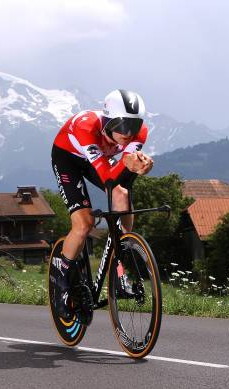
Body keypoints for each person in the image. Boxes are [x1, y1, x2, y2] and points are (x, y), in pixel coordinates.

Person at [50, 89, 154, 319]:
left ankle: (120, 261)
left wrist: (136, 164)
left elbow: (121, 174)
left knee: (122, 194)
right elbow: (107, 176)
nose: (129, 134)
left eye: (134, 126)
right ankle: (61, 278)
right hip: (68, 158)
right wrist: (128, 163)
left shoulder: (140, 132)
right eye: (123, 126)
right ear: (107, 122)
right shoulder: (86, 128)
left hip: (97, 159)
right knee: (84, 224)